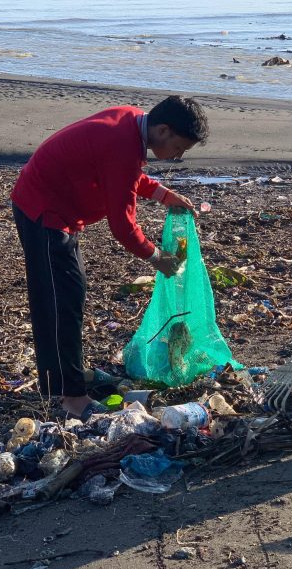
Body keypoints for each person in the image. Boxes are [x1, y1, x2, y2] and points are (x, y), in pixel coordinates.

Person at [11, 96, 209, 421]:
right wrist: (157, 256)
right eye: (179, 148)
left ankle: (56, 384)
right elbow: (122, 225)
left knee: (61, 297)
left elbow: (125, 176)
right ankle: (72, 398)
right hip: (44, 211)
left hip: (53, 207)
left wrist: (162, 193)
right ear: (163, 130)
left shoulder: (130, 124)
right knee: (62, 300)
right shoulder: (123, 146)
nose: (178, 156)